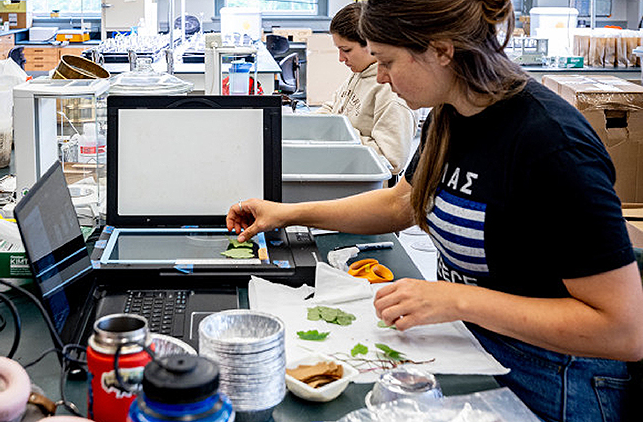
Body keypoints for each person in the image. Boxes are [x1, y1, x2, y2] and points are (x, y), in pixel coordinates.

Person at [227, 1, 643, 421]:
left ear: (442, 50)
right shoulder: (450, 116)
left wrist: (460, 300)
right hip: (471, 345)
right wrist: (288, 213)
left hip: (554, 378)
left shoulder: (551, 145)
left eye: (387, 61)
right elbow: (402, 201)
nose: (382, 76)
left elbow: (622, 330)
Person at [316, 2, 417, 176]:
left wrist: (340, 134)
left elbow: (391, 160)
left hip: (365, 185)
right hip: (344, 169)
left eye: (346, 50)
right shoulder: (360, 72)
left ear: (371, 45)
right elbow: (332, 108)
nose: (341, 58)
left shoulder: (390, 91)